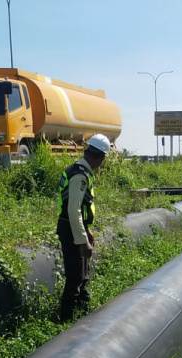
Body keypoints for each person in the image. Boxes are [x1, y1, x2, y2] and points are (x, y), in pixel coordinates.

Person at [56, 133, 111, 322]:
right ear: (99, 157)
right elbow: (73, 211)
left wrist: (86, 231)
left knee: (83, 274)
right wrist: (82, 241)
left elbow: (80, 208)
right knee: (75, 277)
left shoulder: (81, 171)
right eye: (102, 159)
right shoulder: (79, 176)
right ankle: (65, 320)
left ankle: (83, 315)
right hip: (70, 229)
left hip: (75, 228)